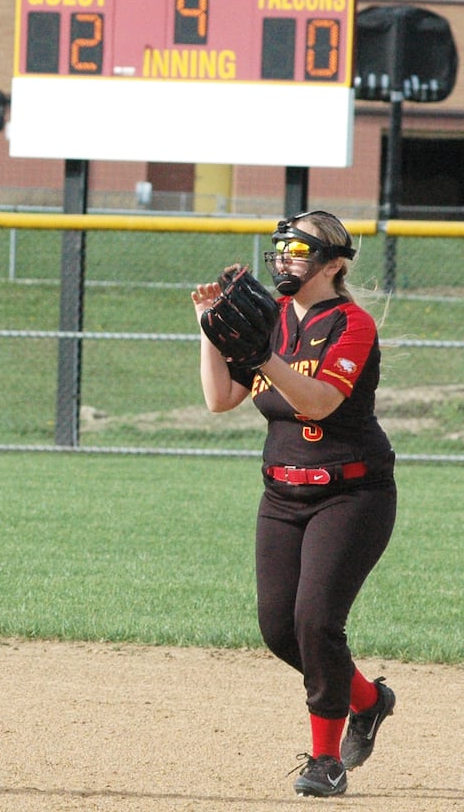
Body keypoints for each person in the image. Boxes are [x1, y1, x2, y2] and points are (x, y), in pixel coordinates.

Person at [191, 210, 397, 799]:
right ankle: (368, 700)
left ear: (333, 265)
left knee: (316, 621)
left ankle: (326, 762)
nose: (285, 260)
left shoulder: (352, 323)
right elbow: (219, 399)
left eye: (299, 252)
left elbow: (318, 403)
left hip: (352, 492)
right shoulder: (272, 319)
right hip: (282, 493)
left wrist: (262, 357)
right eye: (280, 250)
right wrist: (208, 328)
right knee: (281, 629)